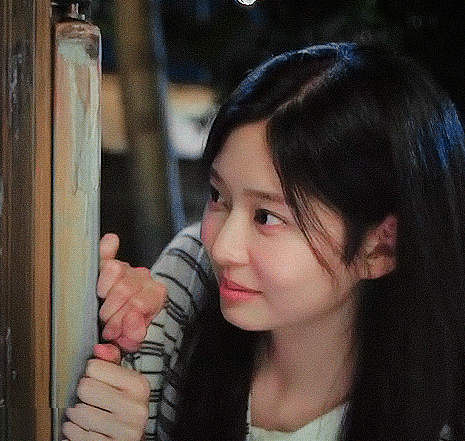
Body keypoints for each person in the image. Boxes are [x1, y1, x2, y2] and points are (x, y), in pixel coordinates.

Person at [69, 42, 465, 440]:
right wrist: (92, 324)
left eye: (267, 217)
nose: (221, 248)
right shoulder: (190, 277)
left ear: (380, 247)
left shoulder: (434, 422)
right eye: (218, 196)